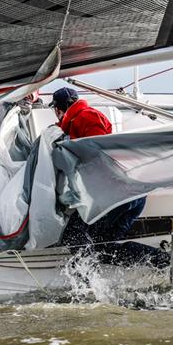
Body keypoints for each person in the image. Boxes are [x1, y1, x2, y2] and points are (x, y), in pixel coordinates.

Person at [51, 87, 145, 244]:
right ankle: (159, 260)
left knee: (74, 237)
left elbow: (97, 150)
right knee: (103, 245)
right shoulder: (72, 124)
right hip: (123, 193)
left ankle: (81, 267)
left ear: (58, 108)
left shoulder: (87, 116)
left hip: (118, 193)